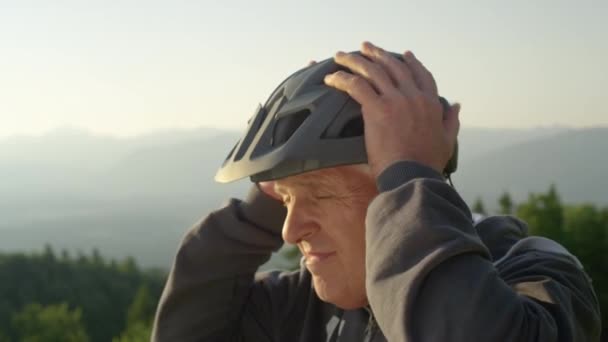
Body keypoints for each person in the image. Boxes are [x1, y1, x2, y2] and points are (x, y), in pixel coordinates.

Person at [151, 41, 601, 341]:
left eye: (322, 194)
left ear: (400, 192)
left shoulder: (534, 275)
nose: (289, 233)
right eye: (286, 200)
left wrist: (409, 173)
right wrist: (263, 205)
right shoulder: (306, 306)